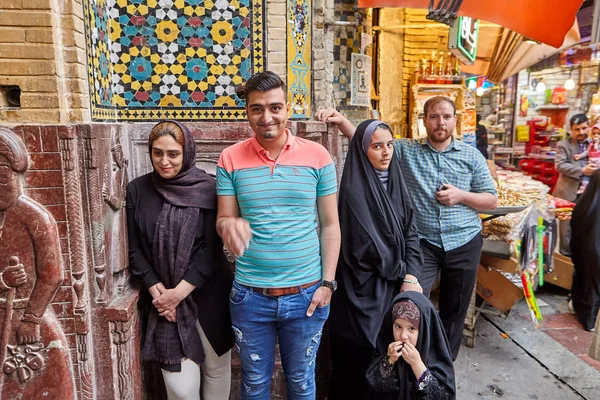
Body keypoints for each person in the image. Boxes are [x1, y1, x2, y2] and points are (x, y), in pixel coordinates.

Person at [317, 96, 498, 360]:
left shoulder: (471, 156)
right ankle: (415, 359)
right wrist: (342, 120)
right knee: (412, 304)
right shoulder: (407, 150)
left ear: (455, 121)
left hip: (463, 241)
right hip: (425, 243)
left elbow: (491, 200)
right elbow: (368, 140)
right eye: (434, 116)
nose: (440, 122)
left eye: (446, 117)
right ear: (424, 121)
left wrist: (461, 196)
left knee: (455, 308)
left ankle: (442, 365)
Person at [216, 71, 341, 399]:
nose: (266, 116)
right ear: (247, 111)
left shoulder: (318, 157)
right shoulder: (230, 159)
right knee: (254, 383)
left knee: (301, 382)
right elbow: (224, 218)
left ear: (288, 109)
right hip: (249, 297)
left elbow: (330, 225)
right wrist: (229, 227)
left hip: (307, 296)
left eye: (275, 107)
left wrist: (327, 284)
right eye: (257, 108)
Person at [127, 121, 234, 400]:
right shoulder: (137, 190)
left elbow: (212, 249)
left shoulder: (209, 188)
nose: (164, 161)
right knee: (181, 390)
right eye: (157, 153)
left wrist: (178, 294)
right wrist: (159, 293)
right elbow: (135, 249)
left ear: (187, 153)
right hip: (162, 301)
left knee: (216, 369)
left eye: (173, 153)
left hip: (208, 294)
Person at [328, 119, 424, 400]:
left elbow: (411, 232)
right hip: (365, 292)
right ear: (362, 150)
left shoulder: (397, 183)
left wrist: (413, 275)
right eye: (377, 146)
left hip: (397, 284)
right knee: (367, 355)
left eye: (390, 145)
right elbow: (365, 249)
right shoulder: (353, 193)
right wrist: (403, 273)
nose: (386, 152)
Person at [0, 128, 76, 399]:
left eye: (2, 172)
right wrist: (3, 281)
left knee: (44, 387)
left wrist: (31, 319)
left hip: (26, 324)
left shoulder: (34, 217)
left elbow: (52, 275)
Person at [365, 292, 455, 400]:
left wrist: (417, 364)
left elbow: (443, 397)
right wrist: (388, 361)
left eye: (411, 329)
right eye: (398, 326)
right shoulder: (386, 347)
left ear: (423, 330)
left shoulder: (436, 357)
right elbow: (374, 385)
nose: (403, 336)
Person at [554, 114, 598, 256]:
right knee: (566, 229)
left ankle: (583, 257)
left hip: (590, 193)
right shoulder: (564, 145)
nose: (581, 132)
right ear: (571, 130)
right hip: (569, 192)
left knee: (588, 225)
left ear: (589, 126)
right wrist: (582, 170)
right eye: (577, 129)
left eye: (584, 128)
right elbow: (560, 165)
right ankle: (566, 260)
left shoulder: (596, 143)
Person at [569, 169, 600, 332]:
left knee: (584, 278)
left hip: (585, 248)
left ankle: (585, 314)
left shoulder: (584, 202)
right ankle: (591, 319)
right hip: (594, 249)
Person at [574, 123, 600, 194]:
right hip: (591, 161)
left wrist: (596, 144)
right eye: (594, 133)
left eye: (598, 134)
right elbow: (587, 152)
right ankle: (583, 187)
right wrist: (580, 156)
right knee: (587, 174)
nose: (596, 135)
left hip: (598, 162)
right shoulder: (591, 143)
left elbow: (596, 148)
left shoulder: (596, 144)